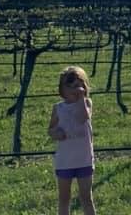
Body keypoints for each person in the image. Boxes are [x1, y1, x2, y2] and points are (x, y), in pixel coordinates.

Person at [48, 66, 97, 215]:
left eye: (79, 86)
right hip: (65, 161)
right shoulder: (58, 108)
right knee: (64, 198)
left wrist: (81, 98)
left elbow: (82, 118)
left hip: (84, 160)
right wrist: (56, 133)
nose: (76, 90)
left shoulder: (86, 103)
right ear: (62, 90)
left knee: (86, 198)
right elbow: (50, 130)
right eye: (72, 87)